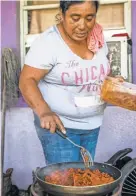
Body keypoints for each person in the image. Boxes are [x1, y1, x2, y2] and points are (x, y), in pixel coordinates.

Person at [19, 0, 122, 165]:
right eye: (75, 18)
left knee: (85, 177)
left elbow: (99, 71)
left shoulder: (97, 37)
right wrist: (44, 112)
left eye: (90, 18)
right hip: (60, 127)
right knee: (66, 183)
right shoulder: (48, 43)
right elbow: (27, 80)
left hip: (93, 124)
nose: (83, 26)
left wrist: (112, 81)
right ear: (62, 13)